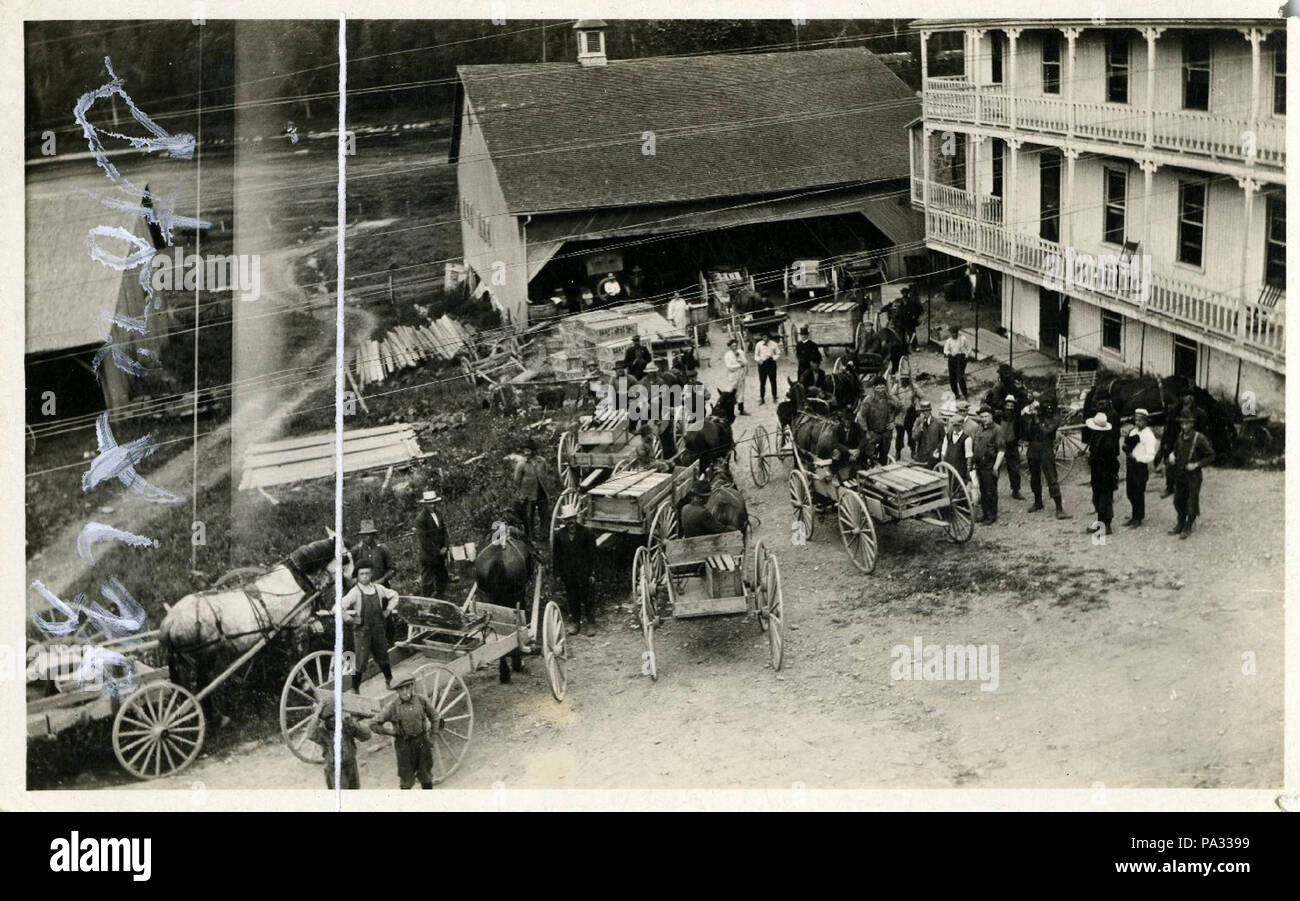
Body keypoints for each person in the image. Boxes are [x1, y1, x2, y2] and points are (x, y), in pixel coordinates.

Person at [340, 563, 399, 692]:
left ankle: (389, 681)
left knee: (383, 656)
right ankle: (355, 689)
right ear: (357, 576)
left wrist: (388, 610)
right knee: (360, 663)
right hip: (362, 633)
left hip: (378, 630)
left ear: (371, 574)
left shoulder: (378, 589)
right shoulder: (355, 592)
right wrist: (351, 619)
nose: (365, 577)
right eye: (362, 574)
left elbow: (395, 595)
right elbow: (338, 607)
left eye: (367, 573)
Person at [373, 676, 438, 789]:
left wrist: (433, 737)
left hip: (422, 742)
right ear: (397, 691)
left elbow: (435, 717)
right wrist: (391, 732)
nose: (405, 692)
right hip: (404, 746)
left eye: (407, 688)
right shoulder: (392, 707)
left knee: (426, 775)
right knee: (406, 779)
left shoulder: (421, 700)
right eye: (401, 690)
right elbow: (373, 723)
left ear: (412, 687)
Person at [1167, 408, 1215, 539]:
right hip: (1180, 474)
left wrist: (1196, 464)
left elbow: (1211, 456)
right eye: (1182, 423)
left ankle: (1188, 526)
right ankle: (1180, 523)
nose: (1184, 426)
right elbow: (1176, 451)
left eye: (1187, 423)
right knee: (1178, 500)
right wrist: (1172, 455)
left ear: (1192, 423)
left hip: (1194, 476)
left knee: (1191, 501)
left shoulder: (1199, 438)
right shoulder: (1180, 437)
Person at [551, 504, 596, 636]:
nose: (570, 522)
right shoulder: (559, 535)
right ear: (564, 521)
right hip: (568, 573)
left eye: (572, 518)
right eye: (567, 520)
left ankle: (591, 623)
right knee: (572, 597)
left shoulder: (587, 533)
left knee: (588, 597)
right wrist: (557, 574)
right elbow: (556, 556)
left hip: (584, 572)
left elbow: (593, 555)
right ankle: (575, 622)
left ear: (576, 518)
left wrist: (593, 572)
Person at [1023, 397, 1071, 519]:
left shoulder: (1055, 419)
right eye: (1046, 406)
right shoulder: (1039, 416)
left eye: (1050, 406)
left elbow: (1045, 432)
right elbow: (1027, 434)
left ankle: (1059, 508)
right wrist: (1027, 418)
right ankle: (1038, 501)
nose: (1048, 409)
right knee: (1034, 477)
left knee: (1051, 478)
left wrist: (1035, 419)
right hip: (1033, 449)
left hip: (1046, 449)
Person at [1157, 391, 1209, 499]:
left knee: (1188, 464)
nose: (1187, 398)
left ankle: (1187, 488)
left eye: (1189, 397)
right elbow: (1168, 428)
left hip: (1190, 439)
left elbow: (1202, 430)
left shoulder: (1199, 413)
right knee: (1170, 463)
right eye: (1184, 397)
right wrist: (1166, 445)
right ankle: (1169, 487)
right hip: (1175, 438)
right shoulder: (1174, 410)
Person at [314, 705, 371, 790]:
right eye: (331, 718)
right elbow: (310, 734)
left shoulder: (345, 726)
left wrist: (351, 722)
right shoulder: (321, 732)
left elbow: (366, 735)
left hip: (351, 766)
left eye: (336, 716)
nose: (334, 720)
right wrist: (316, 715)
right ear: (324, 720)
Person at [1122, 408, 1159, 528]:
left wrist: (1138, 458)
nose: (1138, 423)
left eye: (1140, 421)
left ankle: (1138, 517)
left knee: (1138, 492)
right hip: (1131, 465)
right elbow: (1128, 444)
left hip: (1140, 466)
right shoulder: (1133, 431)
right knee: (1130, 492)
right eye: (1136, 420)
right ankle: (1134, 515)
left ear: (1146, 421)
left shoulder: (1149, 435)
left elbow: (1150, 455)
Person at [512, 438, 554, 540]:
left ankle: (544, 535)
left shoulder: (541, 461)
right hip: (528, 494)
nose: (527, 453)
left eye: (529, 450)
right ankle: (530, 537)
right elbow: (517, 481)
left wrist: (548, 490)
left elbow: (545, 475)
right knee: (529, 516)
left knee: (544, 515)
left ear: (533, 451)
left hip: (541, 492)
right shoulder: (521, 464)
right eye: (525, 450)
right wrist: (521, 494)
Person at [1085, 412, 1119, 536]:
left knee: (1105, 501)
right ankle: (1100, 524)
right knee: (1098, 499)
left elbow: (1113, 462)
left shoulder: (1108, 443)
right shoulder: (1096, 437)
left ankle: (1107, 526)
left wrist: (1112, 476)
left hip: (1106, 475)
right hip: (1097, 474)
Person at [971, 405, 1005, 524]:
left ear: (991, 416)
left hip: (990, 466)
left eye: (986, 416)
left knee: (990, 491)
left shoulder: (997, 429)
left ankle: (992, 516)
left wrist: (996, 467)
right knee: (983, 490)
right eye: (982, 416)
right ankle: (985, 514)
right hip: (980, 465)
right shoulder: (980, 428)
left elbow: (1001, 450)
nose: (984, 418)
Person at [415, 490, 451, 597]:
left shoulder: (438, 514)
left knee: (442, 577)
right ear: (425, 504)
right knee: (427, 581)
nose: (432, 505)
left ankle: (440, 597)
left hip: (441, 553)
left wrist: (445, 546)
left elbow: (444, 531)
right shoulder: (420, 519)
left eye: (434, 503)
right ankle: (426, 601)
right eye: (430, 503)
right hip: (429, 556)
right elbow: (424, 541)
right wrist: (437, 551)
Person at [855, 378, 899, 465]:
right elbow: (861, 417)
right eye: (878, 388)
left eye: (883, 388)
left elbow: (902, 409)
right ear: (874, 388)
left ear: (886, 387)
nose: (881, 391)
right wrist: (866, 431)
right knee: (867, 454)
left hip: (886, 433)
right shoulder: (868, 400)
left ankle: (881, 471)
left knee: (884, 455)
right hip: (872, 433)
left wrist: (894, 422)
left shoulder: (892, 399)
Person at [996, 394, 1025, 500]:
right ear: (1004, 405)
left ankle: (1016, 491)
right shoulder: (998, 416)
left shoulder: (1017, 418)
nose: (1009, 408)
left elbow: (1021, 430)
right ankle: (993, 491)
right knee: (995, 468)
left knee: (1015, 469)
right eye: (1007, 406)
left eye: (1011, 406)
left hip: (1012, 445)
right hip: (998, 445)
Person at [352, 520, 394, 587]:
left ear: (373, 535)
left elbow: (392, 569)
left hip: (381, 587)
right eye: (364, 535)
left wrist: (381, 581)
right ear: (361, 536)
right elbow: (351, 571)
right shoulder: (356, 550)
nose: (367, 537)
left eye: (369, 534)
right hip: (362, 588)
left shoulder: (382, 549)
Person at [911, 399, 945, 468]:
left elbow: (943, 439)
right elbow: (914, 437)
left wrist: (938, 449)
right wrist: (920, 427)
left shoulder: (938, 423)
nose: (925, 413)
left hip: (933, 455)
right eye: (923, 411)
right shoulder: (918, 422)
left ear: (930, 411)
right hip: (921, 455)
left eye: (927, 410)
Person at [892, 377, 919, 461]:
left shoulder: (913, 386)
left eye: (906, 378)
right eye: (902, 378)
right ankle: (898, 451)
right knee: (899, 435)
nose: (904, 380)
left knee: (911, 433)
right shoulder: (896, 386)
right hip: (900, 414)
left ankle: (913, 451)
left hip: (910, 414)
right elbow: (891, 395)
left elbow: (922, 396)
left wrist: (916, 403)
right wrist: (897, 401)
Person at [721, 337, 748, 416]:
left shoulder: (740, 352)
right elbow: (729, 366)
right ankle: (728, 410)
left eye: (736, 345)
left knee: (741, 392)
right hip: (733, 375)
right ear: (729, 347)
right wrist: (739, 365)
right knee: (731, 392)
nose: (735, 347)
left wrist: (740, 357)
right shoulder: (727, 355)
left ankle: (741, 409)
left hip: (741, 375)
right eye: (733, 346)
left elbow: (745, 362)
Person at [943, 325, 971, 400]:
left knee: (960, 377)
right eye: (952, 333)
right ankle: (956, 394)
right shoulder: (949, 341)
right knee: (952, 378)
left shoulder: (963, 339)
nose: (953, 335)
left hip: (961, 359)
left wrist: (967, 355)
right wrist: (949, 353)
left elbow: (969, 347)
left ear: (957, 333)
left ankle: (965, 394)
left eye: (955, 333)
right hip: (952, 359)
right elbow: (945, 350)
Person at [754, 332, 781, 405]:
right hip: (762, 365)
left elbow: (778, 353)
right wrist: (759, 360)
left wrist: (773, 358)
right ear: (762, 338)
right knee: (762, 382)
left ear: (769, 337)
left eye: (766, 337)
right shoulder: (758, 344)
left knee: (773, 381)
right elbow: (756, 355)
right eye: (763, 337)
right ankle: (762, 398)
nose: (765, 339)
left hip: (771, 364)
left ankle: (774, 397)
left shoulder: (774, 344)